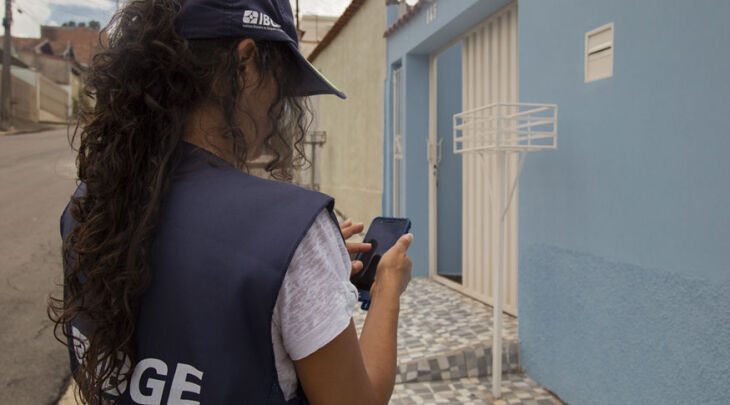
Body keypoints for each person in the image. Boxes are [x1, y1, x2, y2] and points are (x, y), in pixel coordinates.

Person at [48, 0, 414, 404]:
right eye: (282, 81)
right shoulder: (293, 231)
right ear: (245, 64)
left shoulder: (90, 204)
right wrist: (385, 291)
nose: (279, 108)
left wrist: (293, 279)